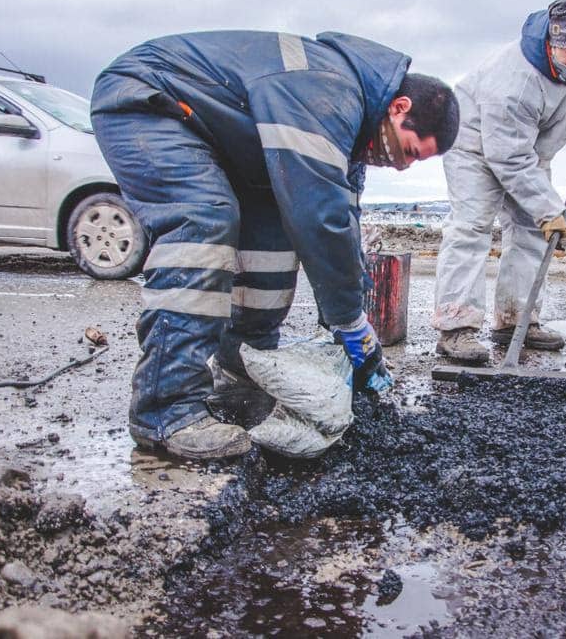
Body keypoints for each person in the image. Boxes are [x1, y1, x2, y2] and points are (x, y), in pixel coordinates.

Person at [90, 30, 459, 459]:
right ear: (399, 109)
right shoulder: (329, 92)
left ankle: (240, 369)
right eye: (411, 151)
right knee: (205, 220)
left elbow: (343, 226)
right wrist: (351, 325)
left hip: (229, 143)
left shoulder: (351, 129)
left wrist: (350, 322)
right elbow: (319, 217)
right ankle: (165, 410)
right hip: (151, 103)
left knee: (273, 243)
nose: (402, 165)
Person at [432, 0, 566, 363]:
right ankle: (456, 327)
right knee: (471, 228)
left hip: (528, 151)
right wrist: (549, 209)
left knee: (532, 230)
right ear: (552, 41)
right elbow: (509, 159)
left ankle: (516, 319)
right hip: (475, 147)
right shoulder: (513, 82)